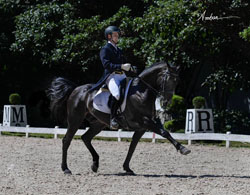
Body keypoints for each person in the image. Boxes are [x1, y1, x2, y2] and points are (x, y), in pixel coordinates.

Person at [91, 26, 132, 129]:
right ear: (109, 36)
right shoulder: (105, 49)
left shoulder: (119, 50)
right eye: (115, 35)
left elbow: (124, 63)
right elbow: (107, 65)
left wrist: (131, 68)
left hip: (122, 75)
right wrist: (121, 66)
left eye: (118, 35)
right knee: (117, 94)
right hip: (112, 76)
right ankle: (113, 118)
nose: (117, 37)